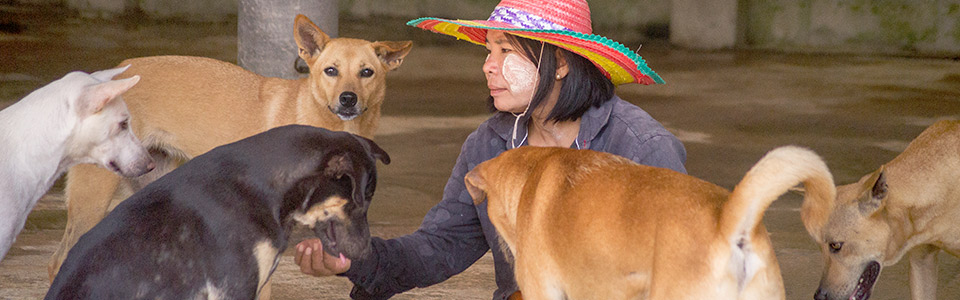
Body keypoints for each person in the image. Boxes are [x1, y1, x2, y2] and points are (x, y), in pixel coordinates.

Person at [294, 0, 687, 299]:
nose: (488, 65)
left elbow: (677, 274)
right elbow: (440, 246)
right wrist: (353, 257)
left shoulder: (641, 149)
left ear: (561, 62)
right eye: (488, 51)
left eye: (505, 51)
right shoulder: (489, 146)